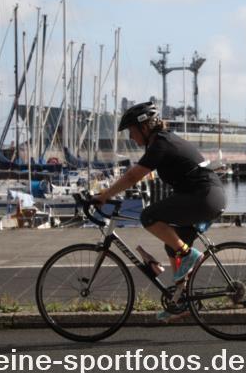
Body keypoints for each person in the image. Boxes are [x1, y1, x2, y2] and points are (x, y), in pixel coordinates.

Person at [93, 102, 226, 319]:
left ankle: (189, 254)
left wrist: (104, 196)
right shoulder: (164, 140)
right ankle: (179, 301)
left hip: (204, 197)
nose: (131, 137)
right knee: (172, 246)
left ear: (145, 127)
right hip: (207, 196)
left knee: (148, 215)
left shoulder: (161, 144)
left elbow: (132, 177)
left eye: (132, 131)